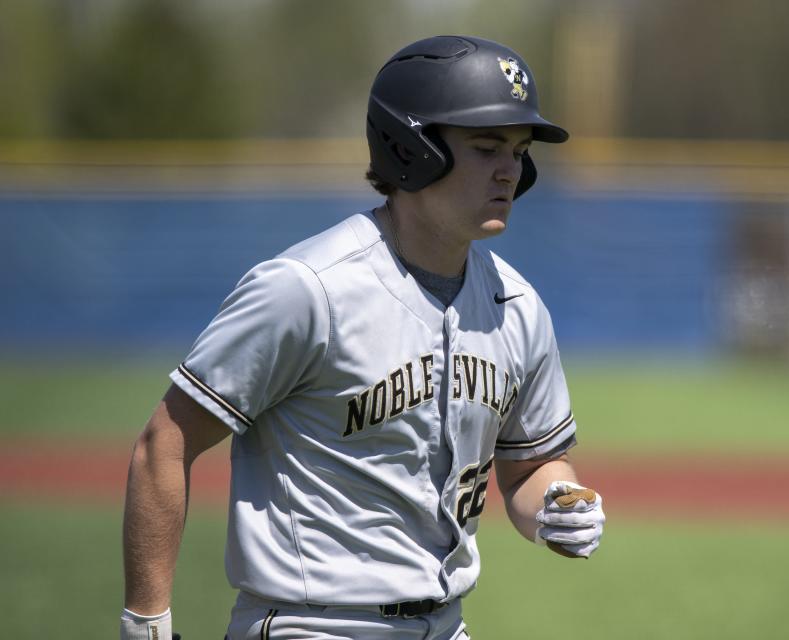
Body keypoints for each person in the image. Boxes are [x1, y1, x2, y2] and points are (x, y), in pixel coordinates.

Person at [121, 35, 605, 640]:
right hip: (311, 624)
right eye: (486, 148)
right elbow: (163, 445)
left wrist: (556, 505)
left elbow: (530, 467)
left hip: (446, 625)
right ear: (412, 149)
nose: (510, 170)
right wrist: (146, 623)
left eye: (518, 150)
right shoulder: (307, 290)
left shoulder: (519, 308)